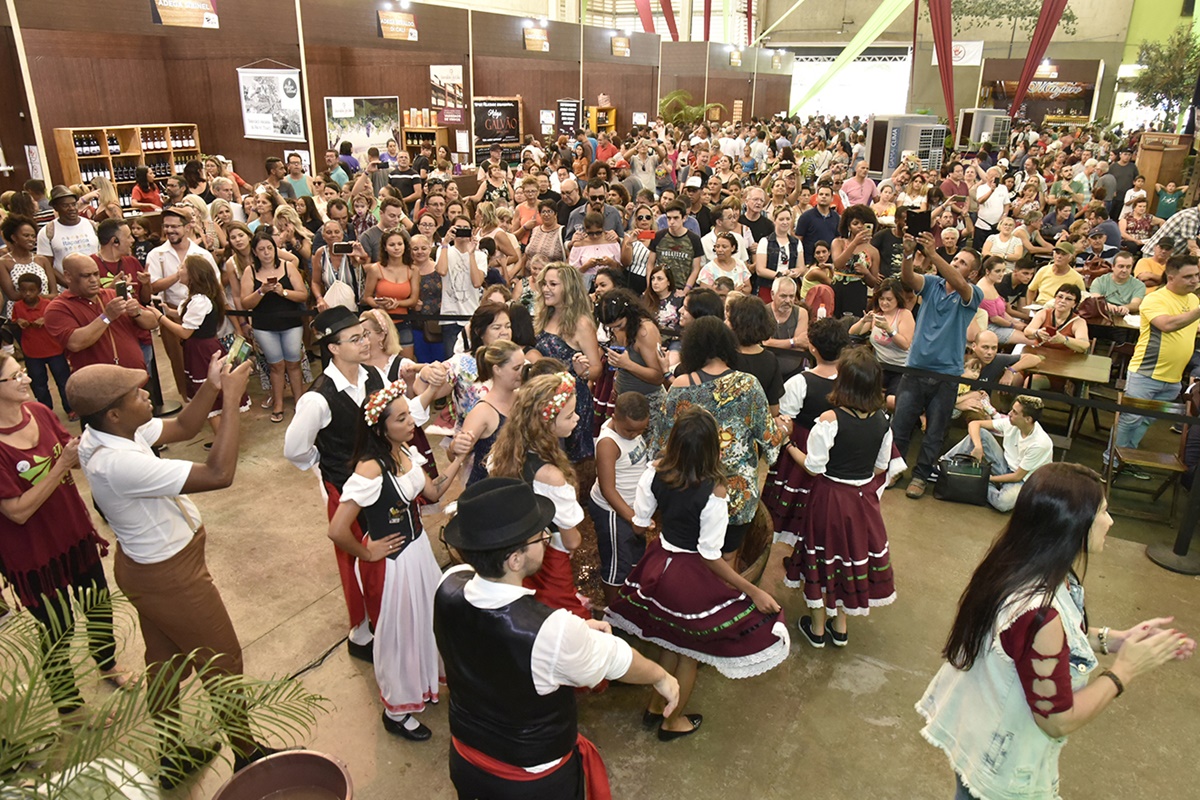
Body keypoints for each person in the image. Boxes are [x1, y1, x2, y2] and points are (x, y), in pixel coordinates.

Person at [917, 463, 1194, 800]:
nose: (1110, 522)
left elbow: (1038, 644)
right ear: (1072, 525)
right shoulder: (1040, 612)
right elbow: (1058, 720)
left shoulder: (1017, 564)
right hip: (1002, 771)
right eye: (1102, 512)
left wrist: (1114, 640)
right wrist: (1125, 670)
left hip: (977, 737)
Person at [69, 357, 276, 786]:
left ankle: (170, 754)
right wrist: (231, 400)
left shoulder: (109, 432)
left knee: (164, 665)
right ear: (113, 413)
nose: (148, 395)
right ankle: (248, 754)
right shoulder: (116, 462)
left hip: (149, 569)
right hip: (171, 577)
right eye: (136, 394)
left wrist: (211, 386)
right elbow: (219, 474)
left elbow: (183, 426)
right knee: (222, 659)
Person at [434, 477, 679, 799]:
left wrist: (572, 633)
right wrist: (661, 677)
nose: (546, 540)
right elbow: (618, 659)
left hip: (466, 759)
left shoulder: (449, 583)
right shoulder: (552, 631)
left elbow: (490, 642)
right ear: (515, 559)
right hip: (530, 783)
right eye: (540, 536)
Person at [605, 406, 788, 740]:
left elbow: (640, 523)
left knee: (668, 641)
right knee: (689, 654)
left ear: (674, 441)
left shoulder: (654, 472)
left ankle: (656, 706)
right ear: (712, 448)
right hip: (689, 576)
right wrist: (753, 590)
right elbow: (710, 555)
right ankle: (671, 722)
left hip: (658, 565)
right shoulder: (715, 491)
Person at [327, 378, 466, 741]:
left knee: (425, 620)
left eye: (409, 415)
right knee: (396, 634)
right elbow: (338, 529)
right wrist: (368, 551)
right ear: (380, 427)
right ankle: (396, 712)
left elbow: (432, 492)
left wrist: (459, 459)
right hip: (390, 564)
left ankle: (423, 683)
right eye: (401, 418)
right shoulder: (369, 469)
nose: (411, 422)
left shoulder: (405, 451)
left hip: (418, 552)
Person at [0, 353, 125, 712]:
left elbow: (74, 455)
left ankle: (107, 663)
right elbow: (17, 511)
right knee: (57, 629)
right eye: (15, 377)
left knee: (98, 605)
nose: (26, 379)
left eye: (23, 372)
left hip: (73, 534)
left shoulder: (39, 412)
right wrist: (61, 466)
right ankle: (68, 705)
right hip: (35, 555)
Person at [284, 307, 384, 660]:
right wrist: (325, 464)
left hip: (380, 482)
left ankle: (384, 615)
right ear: (333, 348)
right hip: (346, 491)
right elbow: (294, 449)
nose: (365, 342)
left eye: (365, 335)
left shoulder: (373, 375)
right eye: (355, 339)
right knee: (355, 558)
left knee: (382, 553)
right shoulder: (317, 398)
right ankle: (362, 632)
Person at [780, 346, 896, 647]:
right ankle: (840, 626)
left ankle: (817, 628)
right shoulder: (882, 420)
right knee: (849, 557)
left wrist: (789, 446)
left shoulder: (830, 419)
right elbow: (881, 466)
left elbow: (814, 467)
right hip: (863, 501)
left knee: (821, 556)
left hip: (830, 497)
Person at [665, 317, 784, 560]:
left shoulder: (680, 386)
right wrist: (785, 430)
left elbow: (664, 441)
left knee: (690, 555)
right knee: (728, 557)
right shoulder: (749, 385)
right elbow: (770, 440)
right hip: (737, 493)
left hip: (692, 487)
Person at [487, 373, 590, 620]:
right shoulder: (551, 476)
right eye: (569, 416)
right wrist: (574, 537)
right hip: (549, 559)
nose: (576, 418)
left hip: (517, 549)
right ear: (546, 424)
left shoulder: (505, 451)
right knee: (560, 617)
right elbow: (572, 541)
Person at [893, 233, 984, 499]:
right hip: (915, 368)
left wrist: (933, 254)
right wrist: (908, 254)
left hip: (946, 374)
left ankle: (921, 476)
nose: (955, 264)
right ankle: (894, 470)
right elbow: (909, 279)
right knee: (900, 425)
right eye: (955, 259)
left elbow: (960, 284)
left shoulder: (973, 293)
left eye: (963, 263)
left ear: (973, 273)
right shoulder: (933, 283)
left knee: (935, 431)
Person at [1109, 255, 1200, 478]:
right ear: (1171, 277)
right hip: (1146, 373)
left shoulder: (1193, 300)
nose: (1195, 280)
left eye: (1197, 275)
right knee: (1130, 419)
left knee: (1146, 420)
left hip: (1174, 377)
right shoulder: (1155, 299)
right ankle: (1110, 463)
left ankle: (1127, 459)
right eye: (1188, 276)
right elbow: (1166, 325)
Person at [152, 255, 249, 439]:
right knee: (210, 397)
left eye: (182, 268)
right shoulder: (197, 299)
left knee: (209, 401)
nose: (179, 271)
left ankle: (223, 443)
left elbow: (185, 332)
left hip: (202, 351)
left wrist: (160, 318)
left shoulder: (200, 301)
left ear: (193, 274)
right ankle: (224, 440)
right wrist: (169, 311)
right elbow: (189, 317)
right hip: (200, 349)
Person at [45, 254, 157, 373]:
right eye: (86, 276)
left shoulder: (112, 295)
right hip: (96, 381)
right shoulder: (58, 308)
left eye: (96, 274)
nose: (94, 280)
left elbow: (153, 322)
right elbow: (75, 343)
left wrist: (137, 312)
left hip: (135, 376)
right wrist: (107, 317)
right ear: (68, 276)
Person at [589, 391, 652, 605]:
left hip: (632, 508)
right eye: (629, 430)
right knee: (617, 563)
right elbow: (608, 490)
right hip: (613, 511)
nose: (635, 435)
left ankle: (629, 597)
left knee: (635, 555)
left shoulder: (630, 430)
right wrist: (634, 518)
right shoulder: (609, 443)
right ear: (615, 417)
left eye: (641, 430)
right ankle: (612, 609)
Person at [534, 263, 601, 462]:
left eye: (553, 284)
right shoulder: (543, 316)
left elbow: (597, 368)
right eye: (544, 284)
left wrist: (584, 372)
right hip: (543, 398)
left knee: (570, 464)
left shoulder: (582, 323)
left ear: (569, 288)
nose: (546, 289)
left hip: (571, 404)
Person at [942, 394, 1054, 512]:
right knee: (981, 434)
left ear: (1028, 419)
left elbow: (1017, 476)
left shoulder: (1040, 443)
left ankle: (972, 481)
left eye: (1015, 412)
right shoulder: (1011, 422)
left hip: (1025, 480)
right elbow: (974, 424)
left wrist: (988, 478)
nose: (1009, 414)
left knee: (1003, 503)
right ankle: (943, 465)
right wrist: (978, 447)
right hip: (1006, 465)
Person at [240, 232, 308, 422]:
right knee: (276, 365)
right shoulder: (250, 271)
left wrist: (283, 292)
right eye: (261, 249)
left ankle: (299, 400)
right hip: (264, 326)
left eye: (270, 248)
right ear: (255, 252)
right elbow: (245, 303)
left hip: (291, 323)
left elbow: (303, 295)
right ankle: (278, 403)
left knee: (293, 363)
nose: (266, 253)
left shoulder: (287, 266)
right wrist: (261, 291)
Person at [594, 289, 667, 446]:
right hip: (624, 400)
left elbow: (658, 376)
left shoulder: (645, 331)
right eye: (611, 328)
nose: (615, 330)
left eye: (619, 325)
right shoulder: (619, 328)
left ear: (629, 314)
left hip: (648, 404)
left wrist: (627, 364)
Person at [453, 340, 523, 487]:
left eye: (524, 366)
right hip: (486, 490)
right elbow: (456, 456)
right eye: (516, 368)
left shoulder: (522, 399)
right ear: (497, 370)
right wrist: (455, 446)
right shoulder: (482, 412)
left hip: (514, 487)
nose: (522, 373)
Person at [848, 277, 914, 407]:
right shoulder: (877, 314)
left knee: (891, 401)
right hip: (880, 366)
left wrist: (889, 330)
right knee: (860, 392)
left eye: (889, 299)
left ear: (897, 299)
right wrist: (864, 320)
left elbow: (905, 344)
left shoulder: (904, 315)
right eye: (881, 299)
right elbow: (853, 332)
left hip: (900, 368)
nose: (884, 303)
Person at [37, 186, 99, 283]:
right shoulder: (47, 232)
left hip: (95, 284)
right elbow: (47, 265)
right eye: (65, 205)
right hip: (65, 288)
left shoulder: (92, 226)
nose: (72, 208)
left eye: (74, 204)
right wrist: (69, 285)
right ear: (56, 207)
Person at [830, 205, 880, 318]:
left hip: (857, 293)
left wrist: (866, 273)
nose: (860, 226)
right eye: (855, 223)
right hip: (837, 290)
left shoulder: (873, 251)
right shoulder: (838, 243)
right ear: (848, 227)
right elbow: (838, 264)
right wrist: (854, 243)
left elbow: (873, 283)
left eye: (863, 223)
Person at [1026, 285, 1090, 354]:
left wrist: (1064, 340)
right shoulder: (1043, 313)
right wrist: (1037, 332)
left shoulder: (1078, 322)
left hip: (1064, 357)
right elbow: (1027, 331)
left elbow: (1084, 345)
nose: (1062, 301)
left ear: (1075, 304)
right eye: (1060, 297)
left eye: (1068, 299)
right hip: (1039, 353)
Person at [1089, 250, 1146, 316]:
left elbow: (1136, 304)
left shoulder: (1139, 285)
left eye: (1128, 267)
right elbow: (1095, 299)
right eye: (1121, 266)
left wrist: (1125, 307)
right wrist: (1107, 306)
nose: (1124, 270)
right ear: (1113, 267)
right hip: (1102, 315)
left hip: (1126, 317)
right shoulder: (1100, 281)